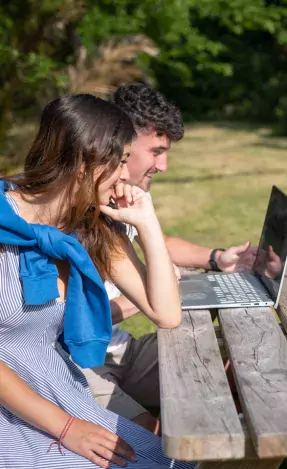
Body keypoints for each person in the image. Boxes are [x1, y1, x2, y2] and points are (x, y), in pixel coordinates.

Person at [0, 94, 194, 468]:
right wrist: (67, 428)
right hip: (19, 410)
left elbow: (166, 314)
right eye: (120, 161)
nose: (126, 174)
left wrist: (147, 221)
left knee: (170, 462)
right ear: (86, 161)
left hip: (60, 392)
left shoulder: (94, 227)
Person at [79, 83, 256, 433]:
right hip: (83, 363)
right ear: (121, 143)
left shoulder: (131, 194)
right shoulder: (79, 212)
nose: (164, 165)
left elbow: (155, 242)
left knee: (239, 363)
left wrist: (216, 259)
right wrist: (155, 292)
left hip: (122, 351)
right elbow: (69, 322)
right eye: (157, 151)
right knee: (153, 437)